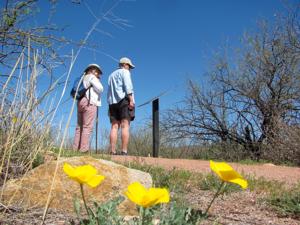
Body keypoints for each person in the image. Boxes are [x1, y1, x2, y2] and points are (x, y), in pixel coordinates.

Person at [107, 57, 135, 155]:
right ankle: (124, 151)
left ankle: (112, 151)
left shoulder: (110, 75)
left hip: (112, 102)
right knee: (125, 126)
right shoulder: (125, 72)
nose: (130, 69)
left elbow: (109, 90)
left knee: (114, 126)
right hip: (124, 100)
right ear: (124, 64)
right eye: (129, 66)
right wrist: (131, 100)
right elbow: (128, 86)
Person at [73, 64, 103, 153]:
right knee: (87, 127)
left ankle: (75, 149)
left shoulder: (83, 77)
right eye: (97, 71)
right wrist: (97, 80)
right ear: (92, 70)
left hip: (80, 101)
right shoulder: (92, 77)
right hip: (89, 102)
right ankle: (83, 150)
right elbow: (101, 89)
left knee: (79, 127)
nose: (98, 74)